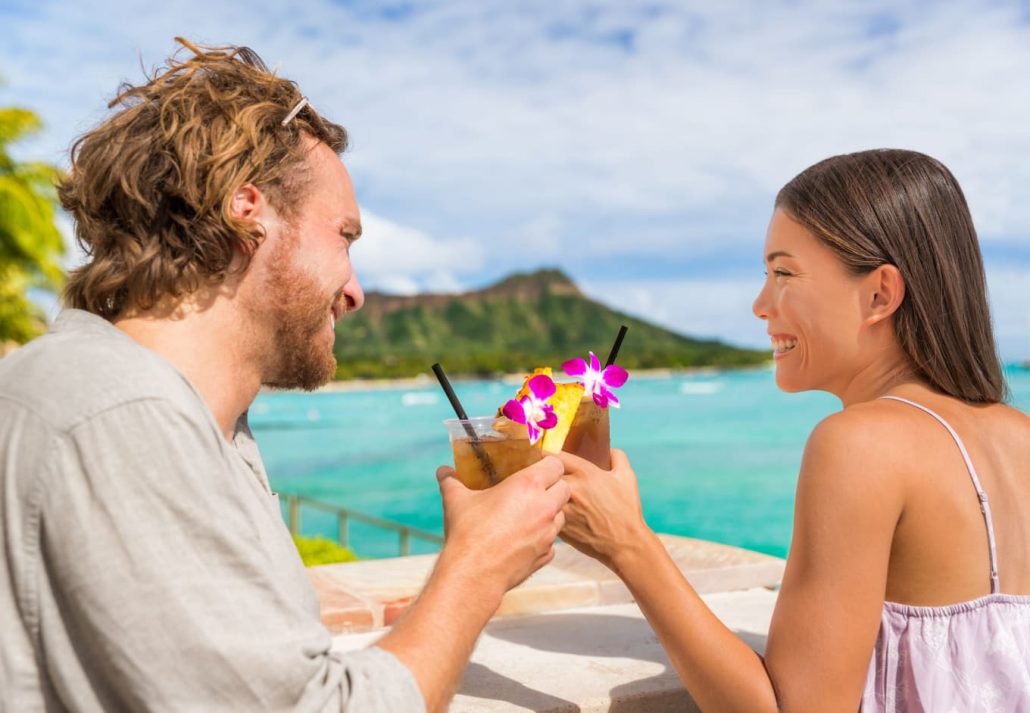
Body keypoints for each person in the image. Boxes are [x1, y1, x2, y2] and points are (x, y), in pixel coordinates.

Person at [0, 39, 570, 712]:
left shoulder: (181, 416)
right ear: (251, 212)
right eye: (344, 237)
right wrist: (477, 564)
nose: (355, 291)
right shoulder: (123, 415)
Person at [557, 149, 1030, 711]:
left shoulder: (860, 445)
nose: (760, 305)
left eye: (783, 273)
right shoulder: (1018, 432)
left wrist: (627, 543)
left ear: (880, 293)